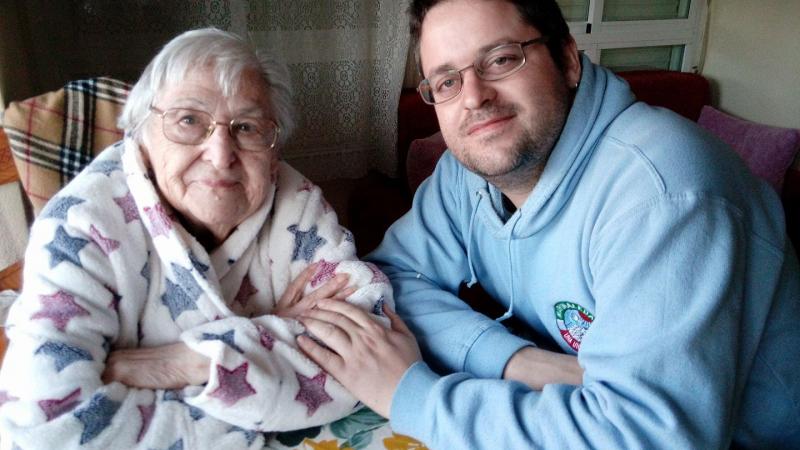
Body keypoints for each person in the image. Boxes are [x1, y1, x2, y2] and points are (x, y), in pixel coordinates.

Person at [295, 0, 800, 448]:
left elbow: (641, 435)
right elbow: (394, 277)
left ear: (567, 58)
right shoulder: (466, 169)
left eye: (500, 59)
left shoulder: (663, 193)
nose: (473, 97)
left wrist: (409, 394)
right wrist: (514, 361)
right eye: (447, 81)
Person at [0, 28, 394, 449]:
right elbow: (47, 430)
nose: (221, 154)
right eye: (189, 120)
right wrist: (270, 343)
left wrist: (184, 363)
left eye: (246, 127)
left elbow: (368, 355)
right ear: (140, 132)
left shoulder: (295, 202)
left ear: (273, 147)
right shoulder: (79, 225)